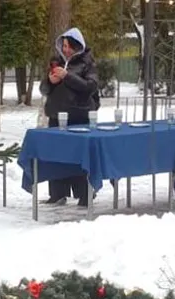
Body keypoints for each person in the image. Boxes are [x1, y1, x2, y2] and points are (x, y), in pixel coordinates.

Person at [40, 27, 100, 207]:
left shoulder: (87, 63)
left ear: (77, 46)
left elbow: (91, 86)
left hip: (79, 117)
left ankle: (85, 194)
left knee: (79, 158)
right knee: (56, 156)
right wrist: (50, 82)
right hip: (56, 117)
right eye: (63, 46)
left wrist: (68, 76)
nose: (65, 50)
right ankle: (57, 193)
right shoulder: (56, 62)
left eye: (68, 46)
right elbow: (43, 89)